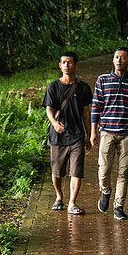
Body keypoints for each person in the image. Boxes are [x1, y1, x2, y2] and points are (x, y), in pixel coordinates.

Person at [90, 47, 128, 220]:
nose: (119, 60)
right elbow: (96, 107)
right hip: (106, 131)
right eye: (116, 57)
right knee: (104, 169)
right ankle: (105, 192)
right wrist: (93, 132)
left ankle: (118, 207)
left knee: (123, 172)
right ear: (112, 60)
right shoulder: (103, 80)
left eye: (122, 58)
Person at [43, 52, 94, 215]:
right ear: (60, 65)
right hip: (57, 136)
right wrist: (54, 123)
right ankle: (59, 196)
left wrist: (89, 133)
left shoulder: (83, 87)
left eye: (70, 62)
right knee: (57, 171)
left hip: (77, 136)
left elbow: (86, 112)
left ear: (76, 65)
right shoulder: (53, 87)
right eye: (63, 62)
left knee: (76, 170)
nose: (66, 65)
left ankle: (72, 203)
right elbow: (48, 108)